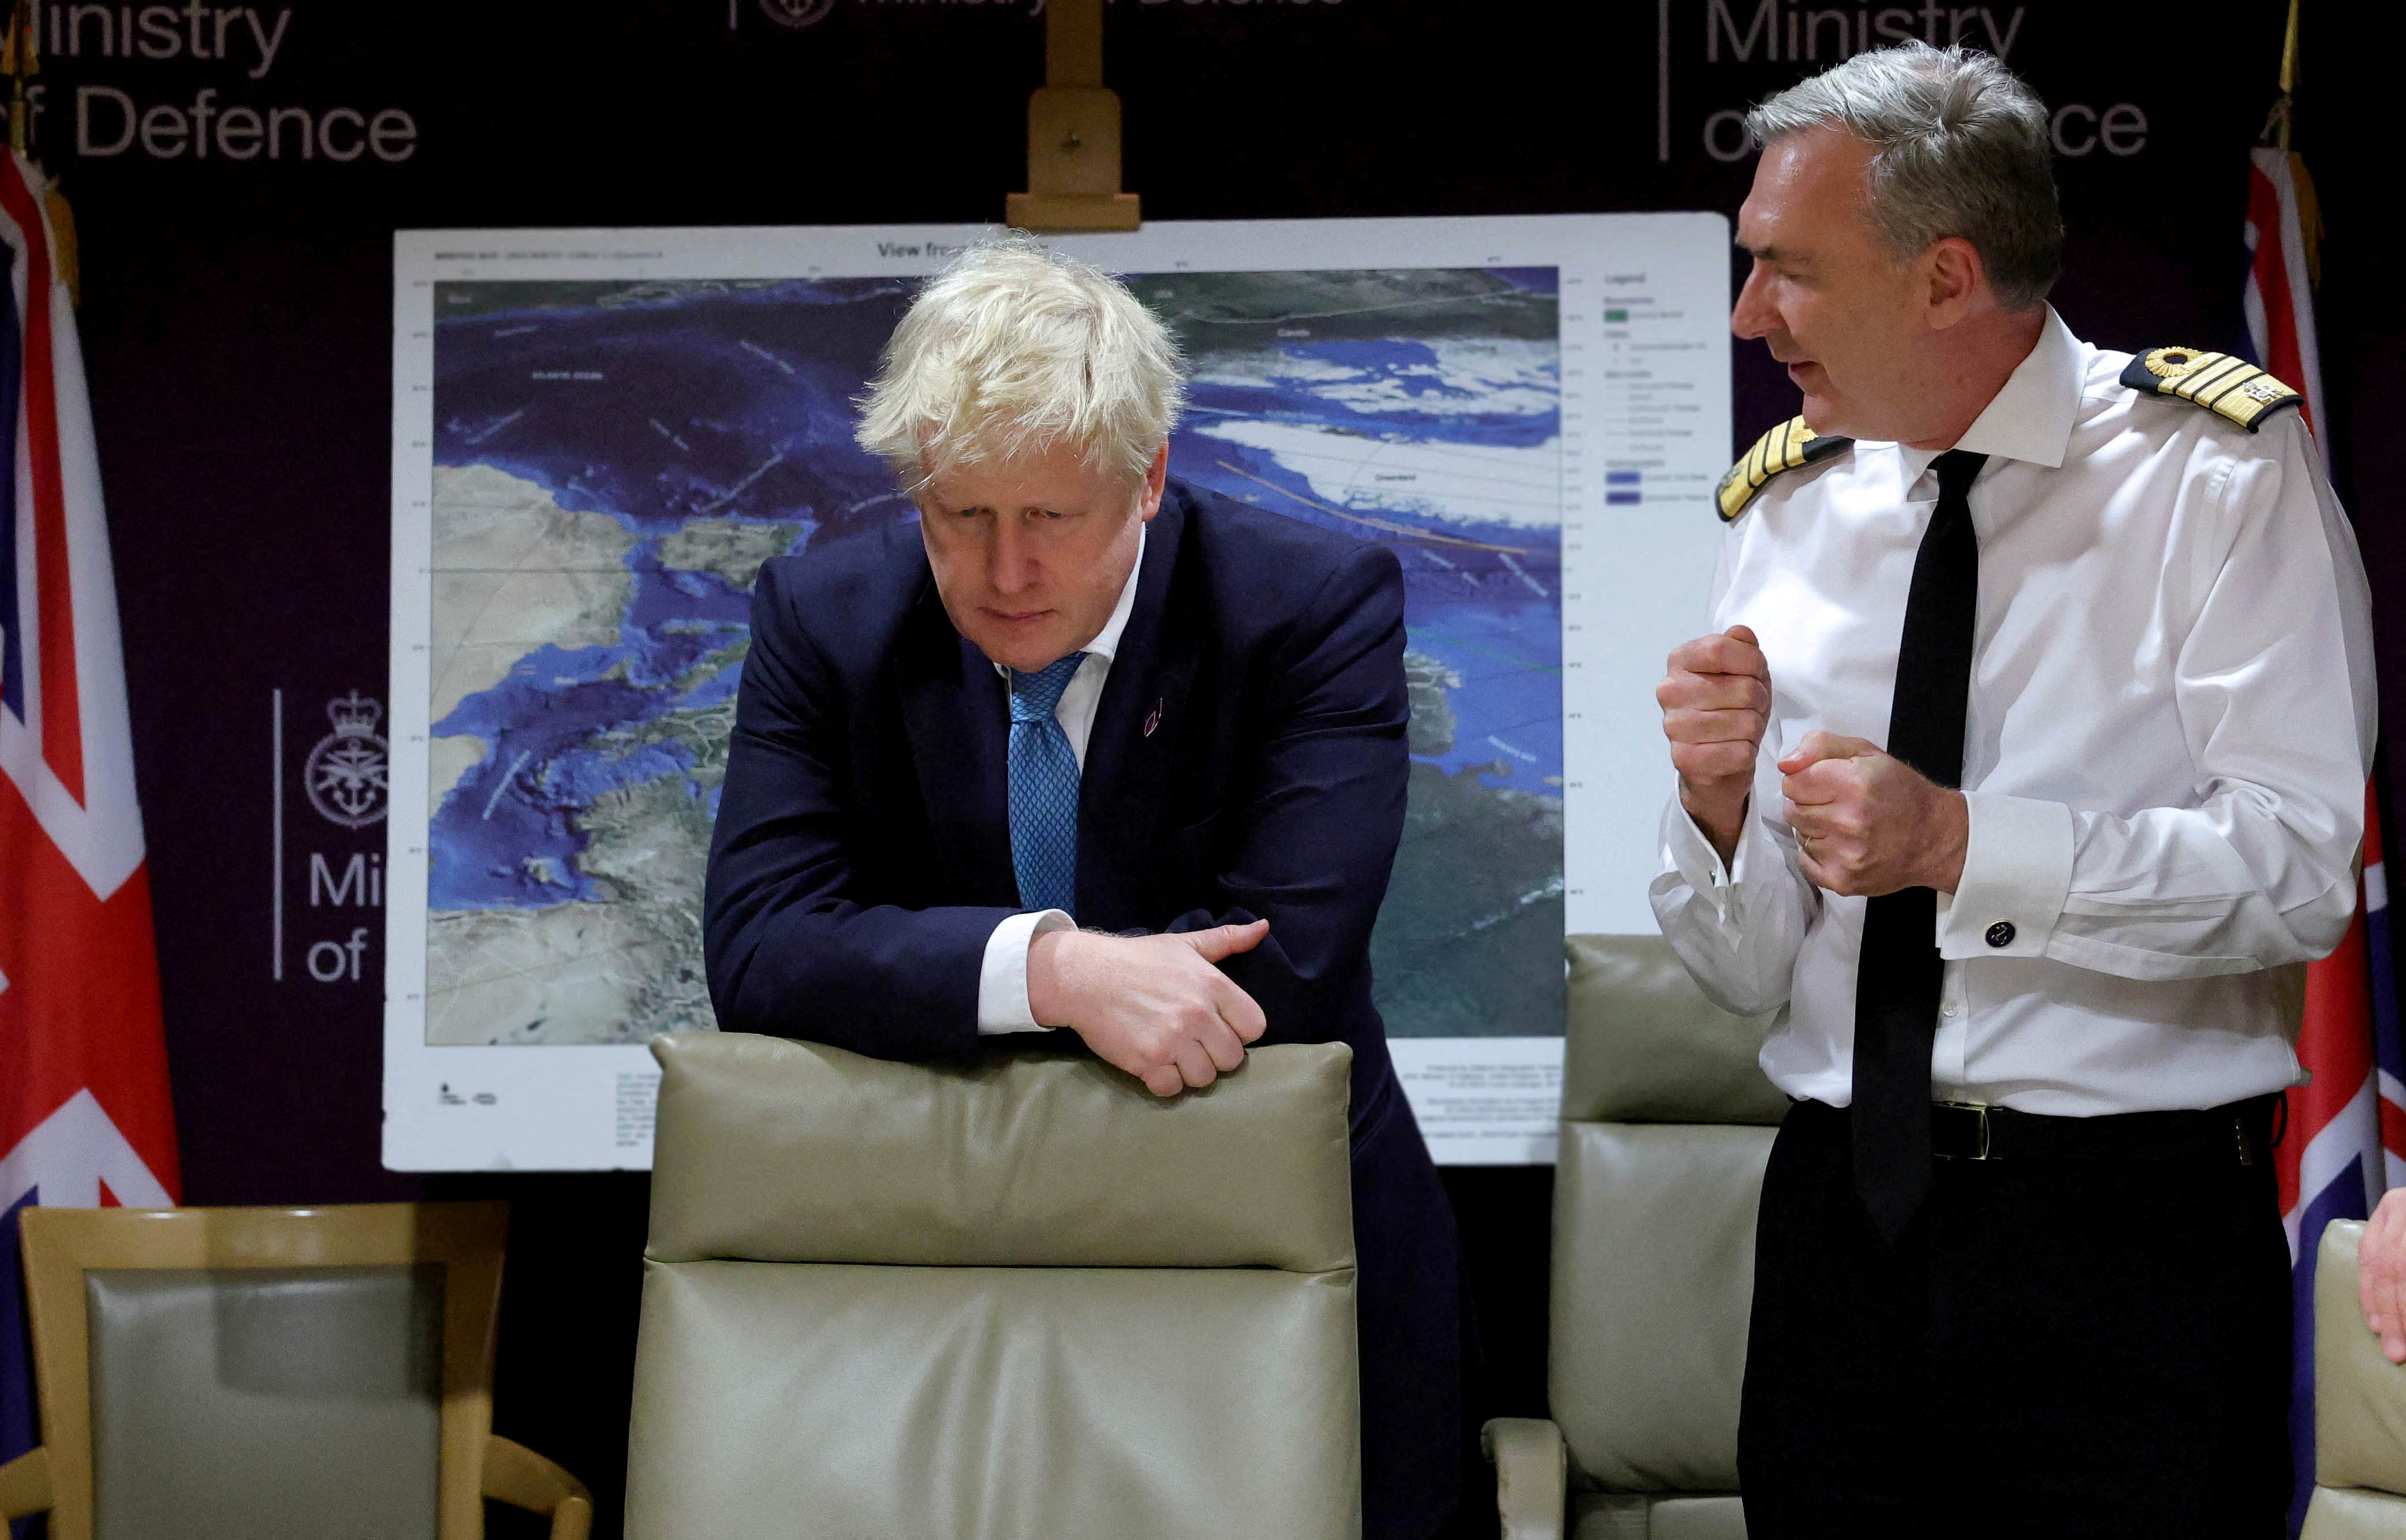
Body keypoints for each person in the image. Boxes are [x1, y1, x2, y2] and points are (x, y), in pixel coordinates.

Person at [1651, 42, 2374, 1538]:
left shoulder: (2212, 472)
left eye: (1787, 270)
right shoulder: (1785, 503)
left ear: (1944, 277)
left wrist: (1967, 844)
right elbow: (1739, 972)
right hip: (1840, 1227)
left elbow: (2303, 867)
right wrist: (1720, 814)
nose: (1747, 316)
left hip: (2132, 1239)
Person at [702, 238, 1466, 1540]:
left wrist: (967, 979)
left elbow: (1282, 959)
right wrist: (1052, 968)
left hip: (1278, 1232)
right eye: (962, 518)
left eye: (1049, 518)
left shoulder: (1307, 606)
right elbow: (759, 949)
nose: (1006, 574)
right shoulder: (821, 617)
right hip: (951, 1245)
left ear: (1149, 476)